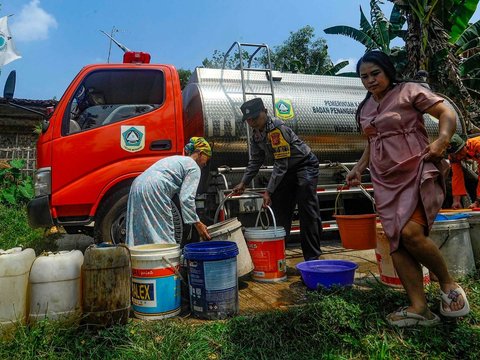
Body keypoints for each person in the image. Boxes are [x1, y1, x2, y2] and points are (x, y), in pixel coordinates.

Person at [346, 51, 470, 327]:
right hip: (384, 179)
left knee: (410, 232)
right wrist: (358, 168)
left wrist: (443, 139)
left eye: (375, 73)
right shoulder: (365, 107)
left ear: (388, 71)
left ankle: (448, 284)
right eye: (364, 76)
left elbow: (445, 111)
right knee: (397, 242)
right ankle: (419, 308)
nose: (370, 80)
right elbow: (372, 141)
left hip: (416, 169)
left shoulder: (409, 91)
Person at [232, 98, 322, 261]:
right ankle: (278, 256)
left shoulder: (276, 129)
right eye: (249, 120)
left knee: (306, 209)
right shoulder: (256, 135)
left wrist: (268, 191)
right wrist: (243, 183)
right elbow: (255, 161)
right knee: (280, 211)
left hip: (304, 165)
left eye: (255, 118)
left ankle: (312, 259)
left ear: (265, 112)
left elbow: (281, 164)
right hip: (287, 170)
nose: (252, 122)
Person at [126, 137, 212, 246]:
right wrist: (198, 224)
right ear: (200, 153)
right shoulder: (194, 167)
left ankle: (141, 261)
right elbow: (186, 199)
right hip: (155, 188)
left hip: (137, 185)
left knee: (142, 232)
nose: (205, 164)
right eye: (207, 158)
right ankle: (166, 261)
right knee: (163, 235)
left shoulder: (179, 159)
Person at [447, 133, 480, 209]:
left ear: (465, 145)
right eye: (455, 155)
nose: (458, 157)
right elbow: (457, 176)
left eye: (459, 152)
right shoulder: (454, 157)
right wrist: (456, 201)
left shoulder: (478, 146)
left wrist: (478, 201)